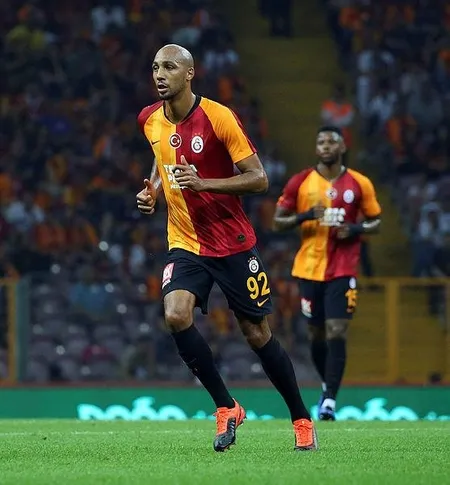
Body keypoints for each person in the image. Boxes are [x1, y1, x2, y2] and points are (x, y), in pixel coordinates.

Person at [136, 44, 317, 452]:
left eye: (169, 67)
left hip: (232, 242)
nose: (160, 74)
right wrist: (154, 189)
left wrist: (205, 184)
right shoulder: (148, 119)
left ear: (189, 73)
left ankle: (301, 417)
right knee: (175, 314)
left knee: (257, 334)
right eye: (155, 67)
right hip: (185, 241)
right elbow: (160, 157)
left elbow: (259, 179)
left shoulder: (219, 117)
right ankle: (226, 406)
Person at [273, 126, 381, 421]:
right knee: (316, 333)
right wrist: (306, 216)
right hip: (308, 269)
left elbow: (376, 221)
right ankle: (326, 385)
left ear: (343, 147)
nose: (326, 145)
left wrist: (355, 228)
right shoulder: (301, 182)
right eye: (321, 141)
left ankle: (330, 399)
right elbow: (278, 222)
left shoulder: (359, 183)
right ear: (316, 147)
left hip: (343, 269)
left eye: (332, 141)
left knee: (337, 330)